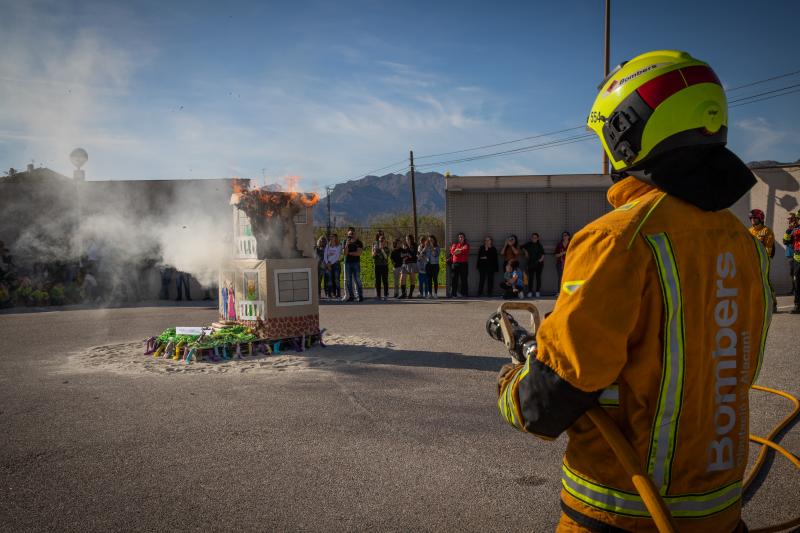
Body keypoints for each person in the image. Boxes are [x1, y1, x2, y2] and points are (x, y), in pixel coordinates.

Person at [497, 50, 767, 532]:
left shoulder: (618, 239)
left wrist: (511, 385)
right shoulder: (742, 243)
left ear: (629, 131)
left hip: (621, 510)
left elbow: (550, 398)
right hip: (719, 513)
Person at [748, 209, 777, 313]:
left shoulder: (766, 231)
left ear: (760, 219)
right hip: (752, 262)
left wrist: (765, 261)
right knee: (753, 283)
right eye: (751, 218)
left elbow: (769, 248)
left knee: (766, 282)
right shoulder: (749, 231)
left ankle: (773, 303)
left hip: (764, 261)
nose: (752, 220)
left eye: (754, 218)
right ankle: (757, 304)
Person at [784, 211, 800, 313]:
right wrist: (789, 230)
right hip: (797, 259)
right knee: (798, 283)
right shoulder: (794, 229)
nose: (792, 221)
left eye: (794, 219)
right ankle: (797, 305)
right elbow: (786, 241)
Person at [343, 227, 364, 302]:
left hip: (356, 263)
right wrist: (347, 245)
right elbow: (345, 253)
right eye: (349, 234)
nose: (350, 236)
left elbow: (359, 253)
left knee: (357, 279)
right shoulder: (345, 241)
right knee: (348, 280)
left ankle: (360, 296)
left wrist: (350, 253)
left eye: (352, 234)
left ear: (355, 234)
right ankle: (351, 296)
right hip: (347, 263)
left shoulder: (359, 242)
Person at [521, 232, 545, 298]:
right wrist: (525, 252)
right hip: (530, 263)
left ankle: (537, 291)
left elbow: (543, 253)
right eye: (533, 237)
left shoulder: (539, 245)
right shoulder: (529, 244)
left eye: (535, 238)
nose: (534, 239)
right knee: (531, 278)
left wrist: (541, 259)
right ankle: (530, 292)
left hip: (539, 264)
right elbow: (521, 247)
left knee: (538, 278)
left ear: (538, 238)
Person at [449, 232, 470, 297]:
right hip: (455, 264)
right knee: (454, 279)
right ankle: (453, 294)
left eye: (462, 237)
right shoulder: (455, 244)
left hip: (464, 264)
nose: (460, 238)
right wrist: (459, 250)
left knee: (464, 279)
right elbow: (453, 252)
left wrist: (458, 250)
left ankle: (464, 294)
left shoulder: (466, 245)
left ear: (464, 238)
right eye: (459, 237)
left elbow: (465, 250)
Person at [372, 233, 390, 300]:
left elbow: (386, 257)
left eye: (382, 241)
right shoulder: (376, 248)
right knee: (378, 281)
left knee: (385, 281)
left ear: (385, 241)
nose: (381, 242)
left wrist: (382, 249)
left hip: (384, 266)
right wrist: (375, 251)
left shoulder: (387, 248)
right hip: (377, 266)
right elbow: (373, 256)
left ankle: (385, 295)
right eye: (380, 241)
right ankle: (378, 295)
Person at [324, 233, 342, 299]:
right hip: (328, 264)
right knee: (330, 280)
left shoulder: (339, 246)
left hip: (336, 264)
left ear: (336, 238)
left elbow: (337, 256)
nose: (331, 238)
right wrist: (327, 263)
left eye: (333, 237)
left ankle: (338, 294)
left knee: (336, 280)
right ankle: (330, 294)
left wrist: (330, 264)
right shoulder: (327, 246)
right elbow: (325, 255)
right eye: (330, 237)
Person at [400, 234, 418, 298]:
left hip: (412, 263)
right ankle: (403, 293)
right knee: (402, 278)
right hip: (405, 263)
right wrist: (407, 254)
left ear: (411, 239)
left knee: (412, 279)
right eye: (406, 239)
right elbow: (402, 255)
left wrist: (407, 254)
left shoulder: (414, 245)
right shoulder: (405, 246)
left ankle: (410, 294)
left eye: (408, 239)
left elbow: (413, 255)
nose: (407, 240)